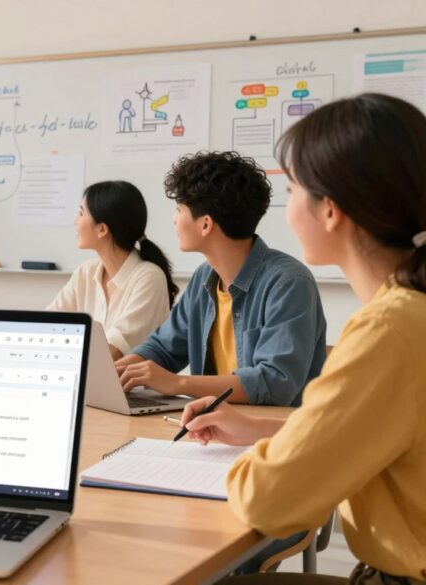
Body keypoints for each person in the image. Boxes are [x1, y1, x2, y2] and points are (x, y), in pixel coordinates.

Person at [182, 93, 426, 584]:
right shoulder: (410, 311)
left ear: (330, 210)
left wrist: (245, 463)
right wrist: (260, 431)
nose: (286, 208)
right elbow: (369, 431)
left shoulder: (387, 329)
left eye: (291, 189)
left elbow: (265, 499)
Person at [116, 151, 327, 406]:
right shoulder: (204, 279)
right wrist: (115, 373)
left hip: (274, 435)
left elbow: (274, 382)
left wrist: (178, 383)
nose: (174, 219)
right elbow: (163, 349)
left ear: (205, 225)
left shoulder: (288, 283)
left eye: (179, 209)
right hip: (216, 430)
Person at [47, 180, 178, 359]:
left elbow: (111, 351)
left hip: (132, 386)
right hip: (91, 379)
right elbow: (48, 326)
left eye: (80, 213)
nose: (75, 221)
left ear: (102, 229)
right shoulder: (86, 271)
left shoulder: (149, 277)